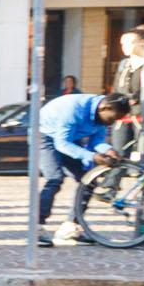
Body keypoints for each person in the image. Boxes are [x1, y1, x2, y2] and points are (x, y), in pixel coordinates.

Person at [34, 86, 120, 246]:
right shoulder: (74, 109)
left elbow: (97, 141)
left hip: (69, 139)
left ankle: (69, 228)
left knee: (89, 180)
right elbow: (62, 144)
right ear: (105, 108)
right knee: (55, 178)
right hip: (44, 136)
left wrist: (108, 150)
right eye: (111, 119)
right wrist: (92, 156)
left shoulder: (103, 115)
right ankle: (35, 228)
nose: (112, 123)